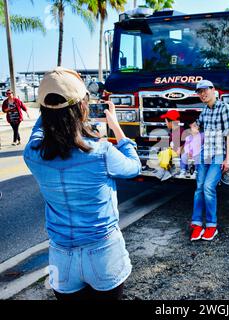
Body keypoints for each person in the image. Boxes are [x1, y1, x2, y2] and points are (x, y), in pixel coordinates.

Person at [23, 67, 142, 300]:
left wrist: (53, 97)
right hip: (104, 252)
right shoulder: (101, 151)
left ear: (44, 110)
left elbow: (41, 128)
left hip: (61, 256)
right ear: (82, 106)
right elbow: (133, 167)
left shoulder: (33, 153)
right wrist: (116, 127)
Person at [190, 79, 229, 241]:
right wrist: (194, 131)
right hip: (204, 154)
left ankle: (211, 225)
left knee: (209, 187)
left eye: (205, 90)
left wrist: (227, 159)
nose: (202, 94)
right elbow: (196, 126)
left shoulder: (225, 109)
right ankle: (196, 223)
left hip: (218, 155)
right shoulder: (205, 111)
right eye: (199, 92)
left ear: (213, 89)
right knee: (199, 188)